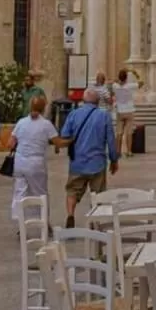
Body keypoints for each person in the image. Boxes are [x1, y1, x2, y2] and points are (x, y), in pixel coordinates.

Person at [56, 87, 118, 229]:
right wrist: (114, 160)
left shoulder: (73, 114)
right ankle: (95, 222)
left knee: (72, 190)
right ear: (97, 102)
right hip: (97, 163)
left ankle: (71, 214)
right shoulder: (104, 116)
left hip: (77, 162)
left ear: (83, 100)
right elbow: (111, 140)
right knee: (98, 194)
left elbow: (65, 135)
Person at [9, 94, 59, 220]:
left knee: (20, 192)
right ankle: (44, 222)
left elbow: (11, 142)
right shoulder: (46, 124)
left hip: (20, 162)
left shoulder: (21, 122)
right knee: (40, 194)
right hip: (36, 163)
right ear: (43, 108)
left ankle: (20, 222)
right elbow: (57, 141)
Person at [113, 68, 138, 158]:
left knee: (119, 132)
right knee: (129, 132)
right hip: (129, 110)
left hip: (120, 110)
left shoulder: (115, 86)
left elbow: (114, 81)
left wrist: (118, 79)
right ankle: (129, 151)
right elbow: (141, 82)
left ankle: (118, 151)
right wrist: (135, 73)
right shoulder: (130, 86)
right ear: (126, 78)